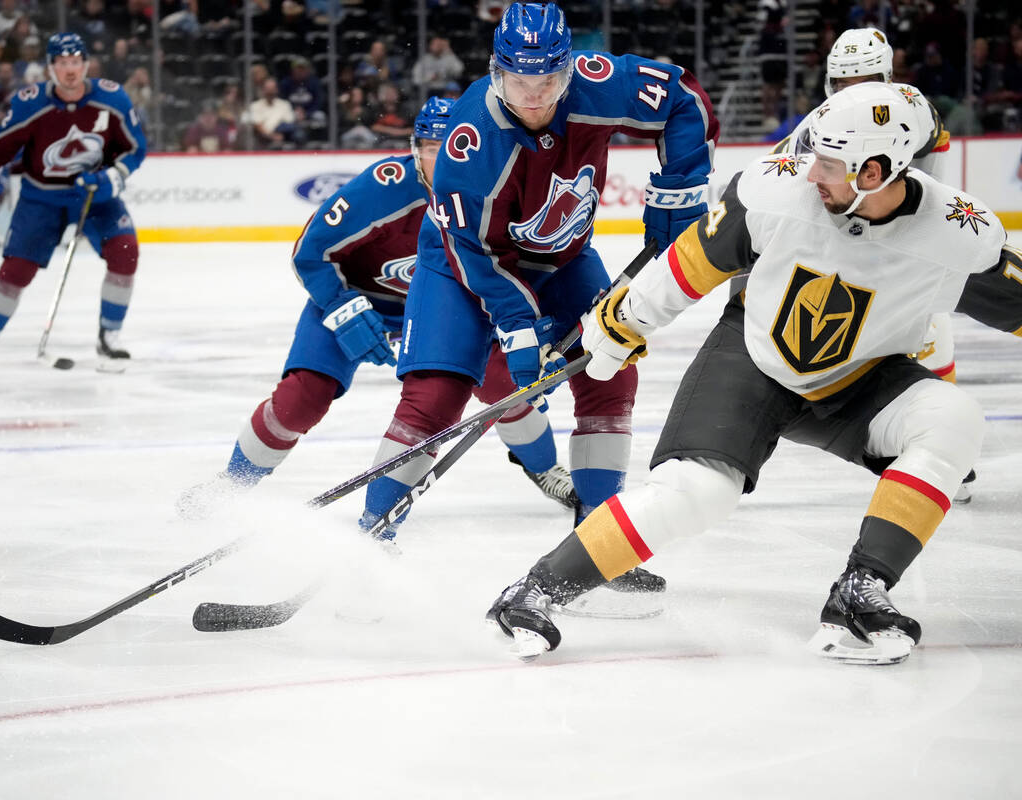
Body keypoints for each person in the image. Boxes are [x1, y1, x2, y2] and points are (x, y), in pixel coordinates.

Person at [487, 83, 1018, 665]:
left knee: (953, 420)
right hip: (752, 361)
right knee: (697, 493)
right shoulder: (775, 188)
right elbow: (694, 261)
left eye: (831, 163)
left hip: (864, 380)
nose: (812, 170)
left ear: (876, 171)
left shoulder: (957, 237)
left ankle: (862, 589)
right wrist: (626, 317)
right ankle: (535, 591)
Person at [356, 2, 717, 570]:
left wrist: (681, 187)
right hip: (462, 266)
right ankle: (369, 546)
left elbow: (683, 100)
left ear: (568, 68)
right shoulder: (468, 141)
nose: (533, 95)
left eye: (547, 79)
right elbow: (474, 252)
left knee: (611, 371)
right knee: (435, 398)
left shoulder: (599, 85)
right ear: (498, 71)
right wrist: (520, 331)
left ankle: (597, 546)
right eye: (519, 80)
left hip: (562, 258)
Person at [177, 97, 579, 520]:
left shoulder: (501, 189)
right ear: (412, 147)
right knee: (302, 397)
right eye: (429, 147)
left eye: (452, 146)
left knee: (507, 384)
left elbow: (522, 264)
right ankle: (231, 484)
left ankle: (544, 467)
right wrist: (341, 306)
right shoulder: (384, 188)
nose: (440, 159)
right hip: (361, 300)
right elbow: (310, 252)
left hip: (450, 309)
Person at [771, 26, 974, 501]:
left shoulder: (916, 111)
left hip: (903, 242)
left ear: (885, 75)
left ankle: (943, 449)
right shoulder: (819, 126)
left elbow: (932, 178)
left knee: (930, 335)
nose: (855, 92)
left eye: (865, 79)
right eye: (845, 84)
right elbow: (783, 178)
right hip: (846, 249)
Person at [0, 32, 147, 371]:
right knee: (16, 269)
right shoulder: (30, 103)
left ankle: (109, 336)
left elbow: (136, 148)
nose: (70, 70)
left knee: (126, 252)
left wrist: (112, 177)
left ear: (86, 64)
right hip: (41, 198)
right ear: (50, 67)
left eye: (76, 62)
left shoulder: (113, 99)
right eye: (62, 63)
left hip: (94, 195)